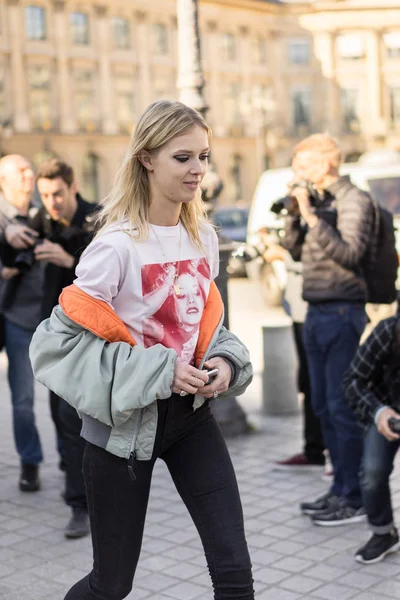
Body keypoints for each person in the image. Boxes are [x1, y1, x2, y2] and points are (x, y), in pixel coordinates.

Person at [30, 100, 254, 600]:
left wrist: (223, 361)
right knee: (111, 585)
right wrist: (159, 371)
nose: (198, 169)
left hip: (193, 419)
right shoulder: (114, 247)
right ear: (147, 159)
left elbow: (206, 329)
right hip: (122, 434)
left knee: (235, 570)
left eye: (204, 156)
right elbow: (54, 347)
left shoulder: (203, 238)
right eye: (183, 157)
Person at [283, 133, 374, 526]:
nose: (297, 175)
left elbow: (351, 254)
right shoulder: (315, 203)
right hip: (315, 313)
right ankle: (338, 489)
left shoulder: (355, 200)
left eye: (302, 167)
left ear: (325, 165)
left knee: (341, 409)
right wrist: (294, 213)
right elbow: (294, 249)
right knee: (321, 407)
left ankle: (354, 496)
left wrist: (312, 215)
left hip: (342, 313)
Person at [33, 158, 97, 537]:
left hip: (89, 337)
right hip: (54, 335)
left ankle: (81, 505)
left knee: (75, 421)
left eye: (57, 193)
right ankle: (76, 484)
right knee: (61, 417)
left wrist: (69, 261)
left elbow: (110, 278)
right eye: (44, 196)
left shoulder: (96, 220)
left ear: (73, 187)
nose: (51, 202)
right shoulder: (44, 220)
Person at [0, 154, 44, 492]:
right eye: (20, 171)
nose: (28, 175)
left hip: (53, 317)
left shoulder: (45, 212)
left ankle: (71, 459)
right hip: (16, 317)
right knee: (23, 399)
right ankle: (30, 461)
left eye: (29, 169)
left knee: (67, 399)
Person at [263, 242, 326, 470]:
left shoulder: (318, 214)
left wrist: (283, 255)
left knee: (321, 386)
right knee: (307, 382)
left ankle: (334, 459)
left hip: (315, 310)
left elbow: (319, 261)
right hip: (301, 310)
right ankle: (315, 448)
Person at [344, 316, 400, 564]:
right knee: (372, 471)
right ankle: (383, 533)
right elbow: (352, 381)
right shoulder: (388, 331)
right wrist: (378, 413)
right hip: (386, 412)